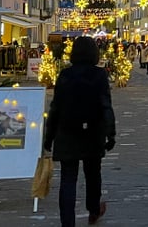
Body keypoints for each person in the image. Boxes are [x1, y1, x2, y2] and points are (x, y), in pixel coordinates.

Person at [44, 36, 116, 226]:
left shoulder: (65, 75)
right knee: (93, 173)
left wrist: (48, 137)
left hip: (67, 132)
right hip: (93, 132)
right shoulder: (99, 75)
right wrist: (111, 133)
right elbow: (105, 106)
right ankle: (93, 209)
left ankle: (67, 222)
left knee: (68, 179)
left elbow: (55, 108)